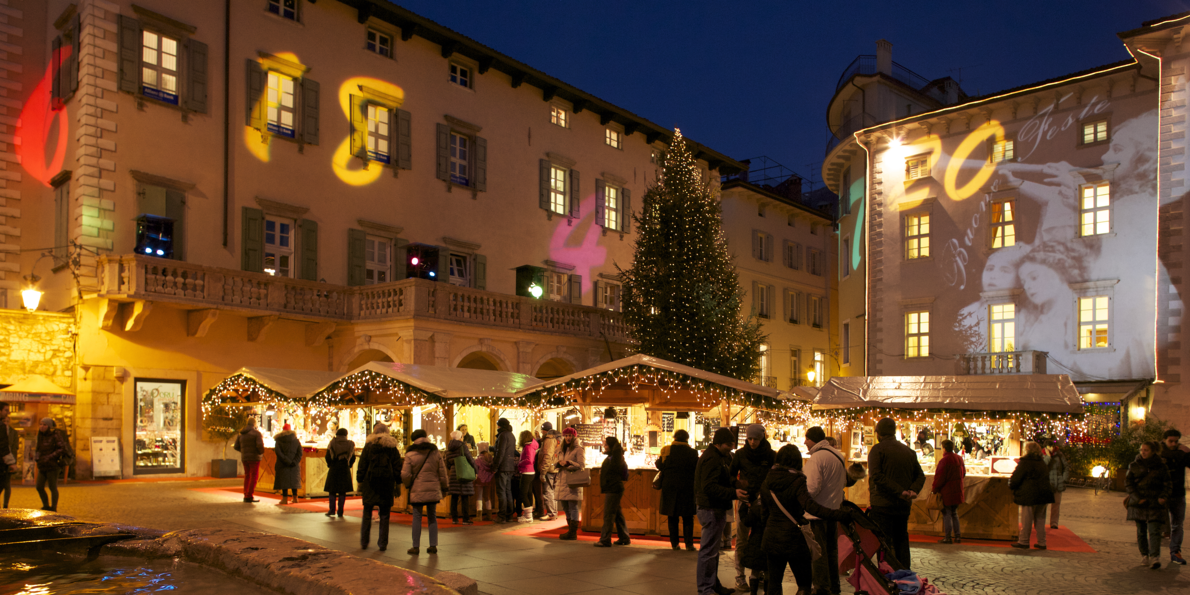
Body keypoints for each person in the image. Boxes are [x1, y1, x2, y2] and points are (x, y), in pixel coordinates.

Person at [760, 444, 853, 595]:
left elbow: (764, 513)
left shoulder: (767, 482)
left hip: (772, 537)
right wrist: (840, 514)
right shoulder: (797, 481)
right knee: (804, 583)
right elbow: (811, 507)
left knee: (774, 582)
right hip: (794, 539)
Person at [867, 417, 924, 568]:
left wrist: (900, 492)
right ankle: (905, 573)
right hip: (903, 505)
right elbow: (920, 476)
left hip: (883, 504)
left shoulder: (878, 450)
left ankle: (888, 574)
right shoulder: (908, 451)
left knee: (884, 542)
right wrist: (912, 490)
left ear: (879, 433)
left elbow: (877, 476)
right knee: (901, 541)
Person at [695, 427, 745, 595]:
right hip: (710, 508)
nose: (731, 448)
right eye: (729, 445)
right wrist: (733, 493)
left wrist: (735, 485)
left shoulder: (719, 456)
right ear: (719, 443)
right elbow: (709, 487)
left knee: (712, 551)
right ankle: (705, 588)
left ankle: (712, 584)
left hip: (714, 507)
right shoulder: (712, 459)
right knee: (708, 551)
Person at [804, 426, 849, 595]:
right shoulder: (837, 454)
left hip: (817, 514)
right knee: (831, 551)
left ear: (812, 439)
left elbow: (811, 488)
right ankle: (834, 586)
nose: (804, 442)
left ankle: (822, 588)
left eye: (806, 439)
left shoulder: (817, 458)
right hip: (833, 511)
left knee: (818, 553)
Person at [729, 424, 774, 592]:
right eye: (750, 438)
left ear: (762, 438)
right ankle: (739, 576)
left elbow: (773, 475)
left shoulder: (770, 455)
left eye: (755, 438)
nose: (752, 442)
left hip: (764, 502)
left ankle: (759, 572)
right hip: (745, 500)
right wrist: (737, 487)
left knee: (762, 537)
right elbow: (731, 475)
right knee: (741, 539)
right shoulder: (740, 454)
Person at [1127, 440, 1173, 569]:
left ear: (1153, 451)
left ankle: (1155, 557)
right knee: (1141, 531)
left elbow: (1168, 484)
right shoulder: (1134, 465)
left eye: (1146, 450)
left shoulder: (1161, 466)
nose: (1143, 452)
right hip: (1139, 503)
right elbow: (1128, 483)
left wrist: (1163, 497)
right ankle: (1144, 555)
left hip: (1155, 503)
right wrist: (1137, 498)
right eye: (1141, 450)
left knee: (1154, 531)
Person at [402, 429, 449, 555]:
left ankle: (415, 546)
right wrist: (445, 487)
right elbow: (442, 472)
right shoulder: (435, 452)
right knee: (432, 517)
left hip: (417, 489)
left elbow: (405, 475)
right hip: (432, 489)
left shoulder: (410, 454)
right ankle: (433, 545)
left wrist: (408, 485)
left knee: (417, 517)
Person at [357, 422, 401, 551]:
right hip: (386, 484)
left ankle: (364, 541)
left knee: (367, 513)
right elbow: (397, 466)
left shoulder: (369, 446)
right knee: (385, 515)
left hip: (370, 483)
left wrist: (360, 481)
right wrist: (398, 483)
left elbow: (362, 465)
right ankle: (382, 543)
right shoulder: (392, 448)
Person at [656, 429, 698, 551]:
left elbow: (659, 465)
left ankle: (675, 544)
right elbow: (696, 468)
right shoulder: (692, 452)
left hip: (670, 488)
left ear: (674, 438)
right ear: (687, 439)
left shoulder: (666, 450)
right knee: (688, 517)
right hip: (687, 487)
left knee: (672, 516)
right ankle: (689, 544)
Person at [1008, 441, 1054, 551]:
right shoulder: (1042, 462)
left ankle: (1023, 541)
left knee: (1027, 519)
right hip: (1043, 495)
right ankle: (1042, 542)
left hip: (1029, 495)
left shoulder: (1025, 462)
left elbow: (1016, 478)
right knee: (1040, 519)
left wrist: (1011, 485)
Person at [592, 436, 631, 547]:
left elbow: (613, 471)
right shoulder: (615, 456)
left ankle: (605, 539)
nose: (604, 447)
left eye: (606, 445)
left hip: (613, 488)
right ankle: (624, 537)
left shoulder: (615, 457)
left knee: (608, 514)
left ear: (611, 446)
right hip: (614, 487)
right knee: (617, 514)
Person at [1161, 428, 1189, 565]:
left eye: (1176, 442)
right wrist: (1181, 452)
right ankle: (1152, 554)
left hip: (1178, 493)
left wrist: (1188, 453)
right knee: (1157, 524)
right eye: (1170, 441)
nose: (1173, 444)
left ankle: (1175, 552)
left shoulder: (1181, 453)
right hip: (1161, 494)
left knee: (1178, 524)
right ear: (1164, 440)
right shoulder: (1159, 452)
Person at [554, 426, 586, 539]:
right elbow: (554, 462)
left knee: (573, 506)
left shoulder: (578, 449)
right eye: (566, 435)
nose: (568, 438)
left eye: (570, 436)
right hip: (561, 480)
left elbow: (581, 465)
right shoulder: (560, 448)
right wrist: (558, 463)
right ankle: (570, 530)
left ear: (574, 437)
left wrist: (568, 463)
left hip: (572, 481)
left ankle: (573, 532)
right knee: (565, 506)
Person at [931, 439, 965, 544]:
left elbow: (940, 477)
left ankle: (948, 537)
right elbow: (963, 473)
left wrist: (934, 489)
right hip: (957, 490)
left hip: (947, 492)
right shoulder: (959, 459)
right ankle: (958, 536)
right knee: (954, 513)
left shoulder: (944, 461)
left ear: (944, 448)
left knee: (946, 514)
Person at [34, 418, 66, 512]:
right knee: (39, 486)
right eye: (41, 424)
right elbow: (38, 448)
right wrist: (37, 457)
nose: (42, 426)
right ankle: (46, 505)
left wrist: (50, 456)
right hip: (42, 464)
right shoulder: (40, 435)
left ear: (49, 426)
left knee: (52, 486)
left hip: (53, 464)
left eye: (44, 425)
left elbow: (61, 448)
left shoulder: (55, 434)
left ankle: (53, 507)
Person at [445, 430, 476, 525]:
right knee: (464, 496)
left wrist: (452, 468)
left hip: (454, 473)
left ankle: (454, 519)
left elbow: (447, 461)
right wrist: (476, 470)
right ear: (460, 438)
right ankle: (465, 519)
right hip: (463, 471)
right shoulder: (463, 447)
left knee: (454, 497)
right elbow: (470, 459)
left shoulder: (449, 448)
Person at [323, 428, 356, 518]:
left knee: (332, 491)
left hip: (334, 467)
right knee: (342, 491)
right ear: (346, 434)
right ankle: (340, 511)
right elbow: (353, 457)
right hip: (344, 468)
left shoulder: (332, 442)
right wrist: (349, 465)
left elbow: (328, 456)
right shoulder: (350, 444)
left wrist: (330, 464)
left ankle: (332, 510)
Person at [491, 418, 518, 523]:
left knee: (501, 491)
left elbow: (500, 452)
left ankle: (502, 516)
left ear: (500, 425)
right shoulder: (511, 435)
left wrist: (495, 467)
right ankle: (509, 515)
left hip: (502, 467)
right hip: (510, 467)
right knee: (508, 491)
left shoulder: (502, 435)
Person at [233, 417, 265, 503]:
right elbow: (259, 445)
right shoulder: (256, 433)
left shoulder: (241, 433)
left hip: (245, 457)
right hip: (254, 457)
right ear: (254, 424)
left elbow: (236, 446)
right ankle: (249, 495)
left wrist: (244, 451)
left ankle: (245, 494)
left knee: (247, 475)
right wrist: (261, 452)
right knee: (253, 476)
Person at [1043, 440, 1071, 529]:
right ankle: (1040, 522)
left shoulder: (1059, 454)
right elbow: (1043, 466)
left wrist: (1063, 479)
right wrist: (1048, 456)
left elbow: (1066, 466)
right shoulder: (1042, 454)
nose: (1051, 448)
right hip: (1047, 483)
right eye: (1049, 446)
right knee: (1043, 505)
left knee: (1056, 504)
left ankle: (1054, 523)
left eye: (1052, 446)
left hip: (1058, 482)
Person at [272, 423, 302, 505]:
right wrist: (294, 461)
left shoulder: (279, 440)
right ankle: (295, 498)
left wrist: (286, 460)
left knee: (283, 481)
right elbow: (300, 452)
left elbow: (278, 452)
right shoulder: (296, 440)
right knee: (293, 480)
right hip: (294, 464)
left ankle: (284, 499)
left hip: (282, 463)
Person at [538, 422, 561, 521]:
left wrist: (543, 471)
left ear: (544, 430)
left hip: (550, 469)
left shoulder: (549, 439)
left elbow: (547, 455)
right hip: (556, 468)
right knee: (553, 491)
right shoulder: (558, 438)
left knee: (548, 491)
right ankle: (553, 512)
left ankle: (551, 513)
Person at [0, 403, 19, 508]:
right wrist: (11, 462)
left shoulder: (13, 431)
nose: (8, 413)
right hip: (2, 462)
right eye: (6, 410)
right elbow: (3, 445)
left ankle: (5, 505)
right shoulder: (1, 426)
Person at [516, 430, 538, 523]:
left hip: (526, 472)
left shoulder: (528, 447)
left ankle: (528, 516)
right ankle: (529, 515)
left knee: (523, 493)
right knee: (528, 493)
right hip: (530, 472)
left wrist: (519, 463)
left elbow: (529, 460)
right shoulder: (531, 446)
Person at [475, 442, 495, 521]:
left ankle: (479, 515)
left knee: (479, 496)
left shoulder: (478, 459)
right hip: (489, 479)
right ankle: (489, 515)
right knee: (487, 496)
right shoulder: (491, 458)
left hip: (480, 479)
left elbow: (475, 468)